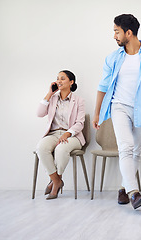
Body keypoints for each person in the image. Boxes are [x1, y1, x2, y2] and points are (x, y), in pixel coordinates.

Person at [93, 14, 141, 209]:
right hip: (118, 106)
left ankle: (123, 188)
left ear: (129, 33)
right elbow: (103, 87)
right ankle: (134, 193)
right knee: (126, 146)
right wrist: (97, 113)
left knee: (136, 151)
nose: (114, 36)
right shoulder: (112, 58)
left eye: (116, 31)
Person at [36, 70, 85, 200]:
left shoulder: (79, 101)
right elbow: (39, 113)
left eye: (62, 78)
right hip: (53, 134)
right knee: (41, 148)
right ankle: (56, 181)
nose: (59, 81)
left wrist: (68, 133)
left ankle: (56, 182)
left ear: (71, 82)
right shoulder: (52, 99)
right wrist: (49, 93)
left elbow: (80, 123)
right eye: (58, 78)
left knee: (61, 149)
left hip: (73, 136)